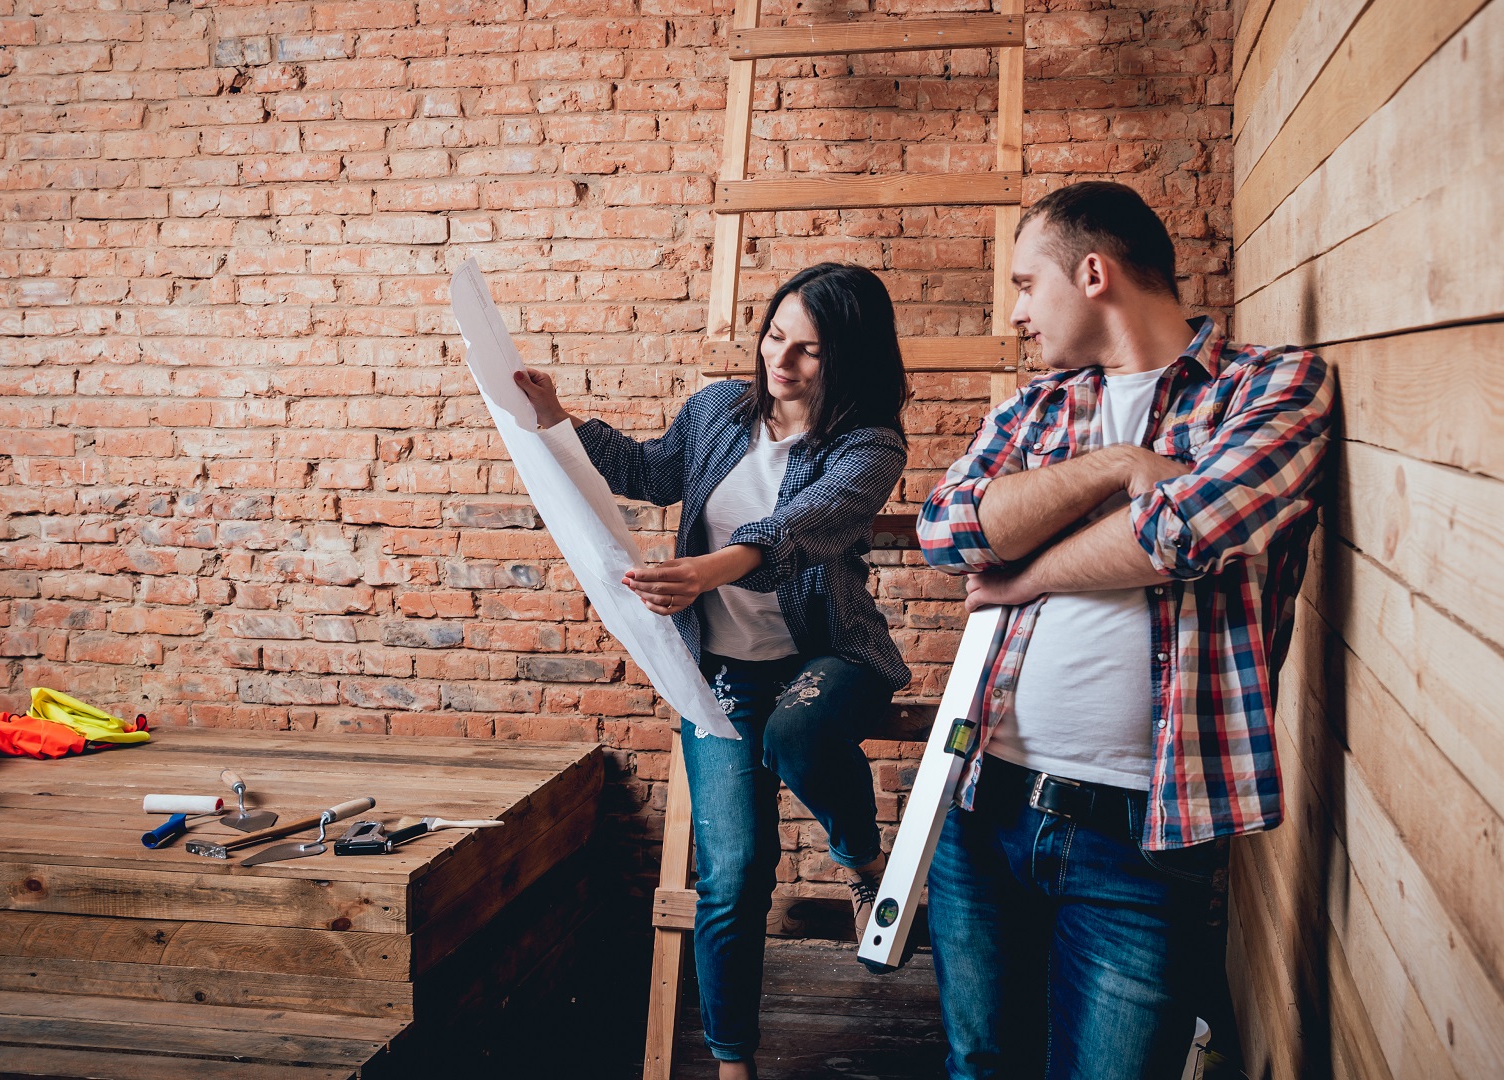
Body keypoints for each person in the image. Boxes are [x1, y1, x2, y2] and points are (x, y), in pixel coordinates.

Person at [916, 181, 1332, 1079]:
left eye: (1028, 284)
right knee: (978, 1066)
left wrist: (1021, 569)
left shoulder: (1275, 385)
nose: (1019, 313)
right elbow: (947, 530)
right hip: (983, 809)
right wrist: (1115, 466)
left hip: (1145, 838)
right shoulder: (1038, 410)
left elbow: (1188, 531)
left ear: (1092, 272)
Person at [514, 263, 911, 1080]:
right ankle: (734, 1064)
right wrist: (556, 419)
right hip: (723, 675)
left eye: (809, 351)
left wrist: (707, 569)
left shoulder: (870, 444)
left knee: (797, 732)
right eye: (775, 337)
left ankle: (862, 859)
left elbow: (801, 527)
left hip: (827, 657)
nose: (782, 362)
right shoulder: (716, 411)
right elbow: (648, 473)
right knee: (731, 878)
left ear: (850, 359)